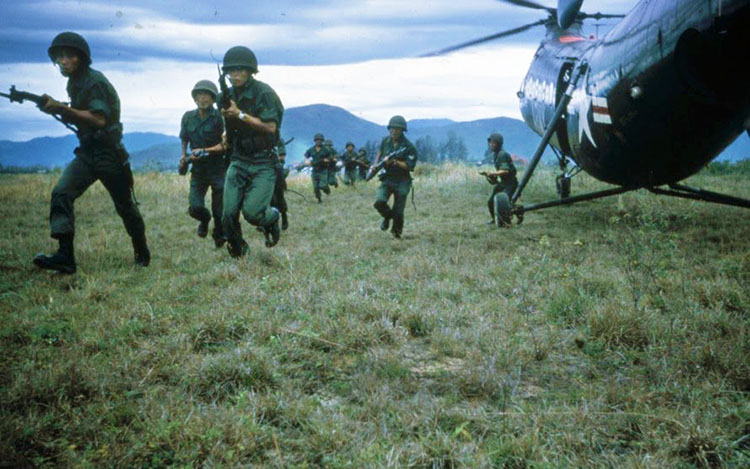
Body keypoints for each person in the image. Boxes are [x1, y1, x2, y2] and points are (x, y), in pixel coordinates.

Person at [33, 32, 150, 274]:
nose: (63, 61)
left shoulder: (94, 81)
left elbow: (98, 118)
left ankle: (141, 250)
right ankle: (65, 256)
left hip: (108, 154)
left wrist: (61, 107)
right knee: (61, 193)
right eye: (59, 57)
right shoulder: (74, 81)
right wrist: (56, 108)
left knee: (125, 206)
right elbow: (79, 115)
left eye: (68, 56)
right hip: (87, 153)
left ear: (81, 58)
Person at [218, 45, 284, 257]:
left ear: (250, 71)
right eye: (231, 71)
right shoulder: (226, 95)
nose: (235, 76)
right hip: (239, 158)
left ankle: (272, 218)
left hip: (263, 161)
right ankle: (239, 252)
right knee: (227, 213)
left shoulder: (263, 93)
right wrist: (227, 134)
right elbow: (230, 122)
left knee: (253, 214)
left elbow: (270, 127)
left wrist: (239, 115)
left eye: (240, 71)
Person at [179, 80, 226, 247]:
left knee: (219, 211)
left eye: (206, 95)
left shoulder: (220, 117)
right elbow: (184, 138)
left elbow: (225, 144)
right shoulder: (187, 117)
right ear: (194, 98)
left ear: (213, 99)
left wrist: (205, 150)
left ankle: (219, 236)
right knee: (195, 207)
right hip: (198, 170)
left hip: (218, 168)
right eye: (199, 95)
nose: (203, 98)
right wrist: (184, 156)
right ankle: (204, 220)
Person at [373, 115, 417, 239]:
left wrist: (395, 162)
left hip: (402, 180)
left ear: (403, 130)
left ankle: (396, 234)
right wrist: (375, 165)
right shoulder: (385, 141)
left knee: (399, 210)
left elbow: (409, 166)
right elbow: (380, 153)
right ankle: (387, 216)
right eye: (392, 128)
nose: (394, 131)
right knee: (379, 202)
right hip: (387, 178)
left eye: (397, 129)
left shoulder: (409, 147)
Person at [481, 132, 518, 226]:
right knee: (491, 202)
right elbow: (498, 176)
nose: (491, 145)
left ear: (499, 144)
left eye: (494, 143)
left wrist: (492, 173)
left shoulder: (502, 154)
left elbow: (505, 171)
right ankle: (495, 219)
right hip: (503, 182)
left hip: (510, 183)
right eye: (490, 143)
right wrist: (489, 176)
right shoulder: (496, 155)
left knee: (503, 201)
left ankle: (505, 222)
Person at [302, 133, 331, 203]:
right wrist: (306, 161)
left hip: (323, 170)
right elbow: (306, 155)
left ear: (322, 141)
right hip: (315, 170)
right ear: (315, 141)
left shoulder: (326, 150)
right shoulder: (311, 149)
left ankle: (327, 190)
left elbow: (330, 158)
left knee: (322, 185)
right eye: (317, 140)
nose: (319, 141)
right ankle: (319, 199)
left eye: (320, 140)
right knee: (316, 188)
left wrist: (327, 160)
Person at [271, 138, 290, 230]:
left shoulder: (278, 139)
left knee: (279, 197)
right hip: (262, 170)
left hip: (276, 170)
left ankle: (284, 216)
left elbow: (281, 157)